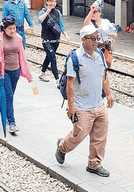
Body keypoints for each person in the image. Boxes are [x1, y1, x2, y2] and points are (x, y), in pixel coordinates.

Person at [55, 25, 114, 177]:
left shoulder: (100, 55)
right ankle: (62, 147)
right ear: (83, 39)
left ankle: (94, 164)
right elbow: (70, 84)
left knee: (100, 137)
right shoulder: (75, 57)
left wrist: (108, 94)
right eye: (93, 38)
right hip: (82, 107)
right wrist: (71, 107)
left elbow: (103, 77)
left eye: (97, 38)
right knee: (78, 135)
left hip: (98, 104)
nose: (96, 42)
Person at [0, 16, 33, 134]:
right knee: (9, 96)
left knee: (10, 94)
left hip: (15, 71)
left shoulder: (18, 38)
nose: (13, 31)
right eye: (10, 29)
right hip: (4, 71)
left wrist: (26, 71)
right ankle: (12, 122)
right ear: (4, 28)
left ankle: (5, 111)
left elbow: (21, 55)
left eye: (14, 28)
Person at [38, 0, 71, 84]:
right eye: (52, 1)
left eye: (55, 1)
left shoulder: (57, 12)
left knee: (49, 57)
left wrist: (66, 35)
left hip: (56, 39)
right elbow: (39, 20)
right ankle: (57, 80)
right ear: (47, 2)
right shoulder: (43, 11)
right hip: (46, 40)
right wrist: (47, 12)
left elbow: (61, 25)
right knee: (53, 58)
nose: (54, 3)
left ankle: (42, 73)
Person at [83, 1, 117, 68]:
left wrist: (112, 35)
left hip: (104, 47)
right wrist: (91, 10)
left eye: (95, 12)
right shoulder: (90, 23)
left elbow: (115, 34)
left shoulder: (106, 22)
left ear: (100, 13)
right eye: (92, 12)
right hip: (93, 47)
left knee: (104, 67)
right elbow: (85, 23)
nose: (93, 13)